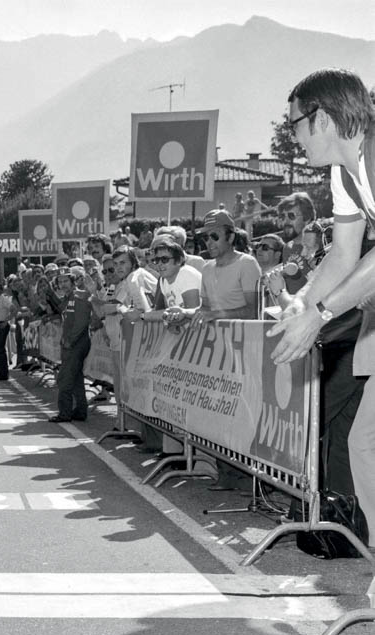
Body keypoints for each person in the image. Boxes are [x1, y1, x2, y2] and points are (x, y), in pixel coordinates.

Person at [269, 68, 375, 540]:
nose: (293, 139)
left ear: (323, 118)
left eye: (294, 125)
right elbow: (344, 253)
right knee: (366, 444)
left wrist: (321, 314)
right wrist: (301, 304)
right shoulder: (343, 171)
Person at [193, 209, 261, 490]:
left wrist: (215, 314)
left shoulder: (248, 264)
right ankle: (226, 473)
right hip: (216, 354)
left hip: (244, 352)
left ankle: (248, 478)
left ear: (231, 236)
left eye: (214, 236)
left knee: (243, 414)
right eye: (205, 238)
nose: (208, 243)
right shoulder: (206, 269)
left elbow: (253, 310)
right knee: (219, 413)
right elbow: (205, 309)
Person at [48, 262, 95, 423]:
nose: (62, 284)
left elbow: (81, 322)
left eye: (65, 281)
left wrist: (69, 341)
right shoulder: (67, 298)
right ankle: (80, 411)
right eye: (60, 282)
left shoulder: (79, 296)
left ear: (73, 281)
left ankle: (65, 412)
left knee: (65, 378)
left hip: (76, 343)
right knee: (75, 378)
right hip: (72, 342)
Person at [143, 236, 202, 325]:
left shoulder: (186, 274)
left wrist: (171, 324)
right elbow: (169, 313)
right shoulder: (163, 280)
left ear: (179, 260)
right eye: (157, 260)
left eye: (164, 259)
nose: (159, 264)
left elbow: (192, 314)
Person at [276, 192, 316, 263]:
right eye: (282, 216)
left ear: (307, 218)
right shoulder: (287, 248)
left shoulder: (318, 245)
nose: (286, 221)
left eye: (291, 216)